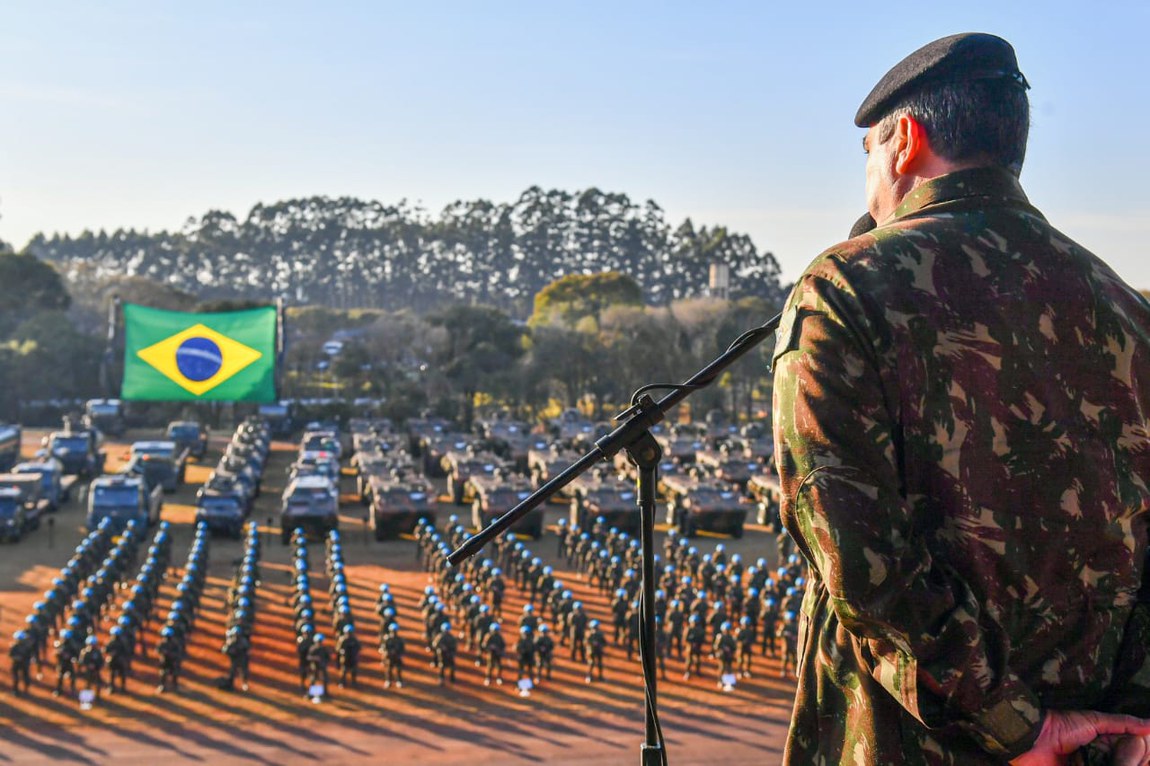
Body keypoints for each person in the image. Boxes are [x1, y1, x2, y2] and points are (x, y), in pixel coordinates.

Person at [771, 32, 1150, 765]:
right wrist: (1124, 722)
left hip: (911, 742)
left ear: (904, 142)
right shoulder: (1127, 310)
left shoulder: (847, 289)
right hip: (1096, 746)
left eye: (869, 156)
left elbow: (859, 558)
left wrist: (1014, 727)